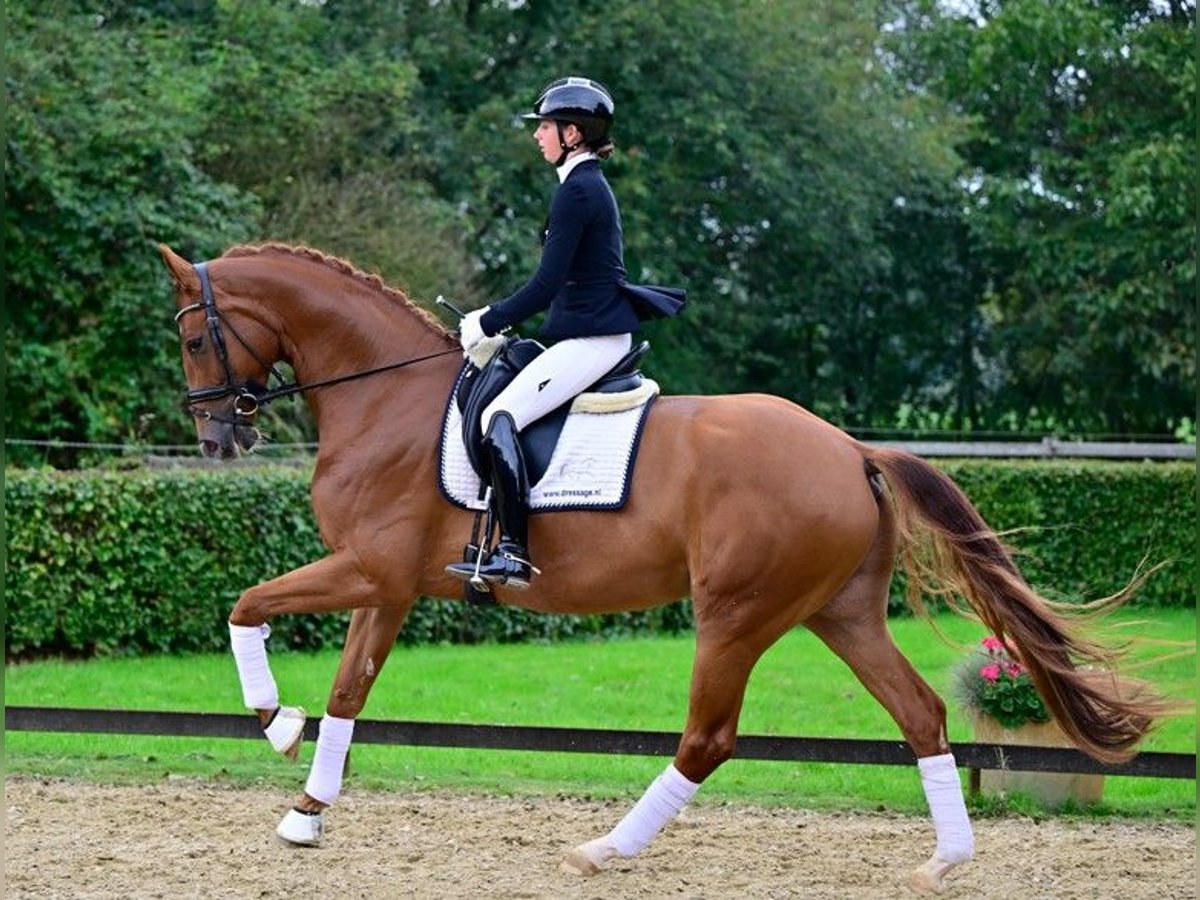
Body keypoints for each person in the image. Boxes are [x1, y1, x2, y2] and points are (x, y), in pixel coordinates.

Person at [446, 76, 670, 591]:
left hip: (592, 343)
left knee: (499, 415)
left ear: (572, 133)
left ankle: (513, 552)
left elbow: (546, 285)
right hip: (585, 336)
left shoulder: (579, 190)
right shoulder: (581, 185)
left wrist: (487, 319)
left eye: (545, 126)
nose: (537, 135)